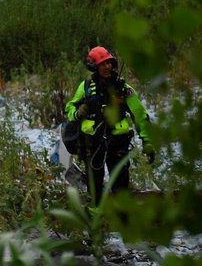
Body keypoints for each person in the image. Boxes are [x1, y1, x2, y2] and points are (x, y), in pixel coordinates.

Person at [64, 46, 154, 205]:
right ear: (94, 67)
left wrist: (148, 142)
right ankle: (96, 223)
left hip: (118, 142)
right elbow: (69, 108)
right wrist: (78, 113)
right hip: (92, 143)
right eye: (102, 64)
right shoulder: (85, 87)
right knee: (94, 189)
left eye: (109, 63)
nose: (107, 67)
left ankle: (123, 222)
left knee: (120, 187)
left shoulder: (124, 89)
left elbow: (140, 116)